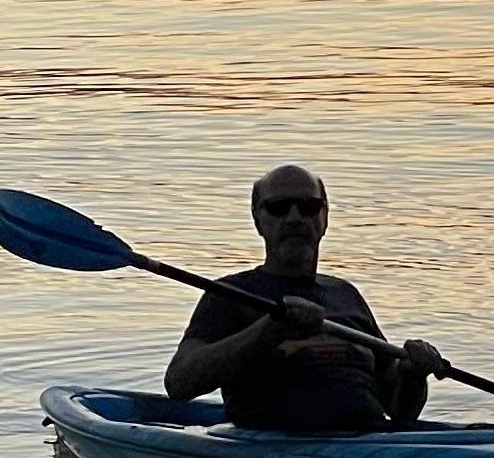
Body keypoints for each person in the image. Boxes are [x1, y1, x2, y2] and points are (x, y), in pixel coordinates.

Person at [164, 165, 447, 434]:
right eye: (279, 208)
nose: (295, 218)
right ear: (257, 218)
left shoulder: (345, 295)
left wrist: (413, 374)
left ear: (324, 217)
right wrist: (268, 330)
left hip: (371, 443)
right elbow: (178, 383)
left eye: (308, 207)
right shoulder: (229, 295)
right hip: (278, 451)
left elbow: (401, 412)